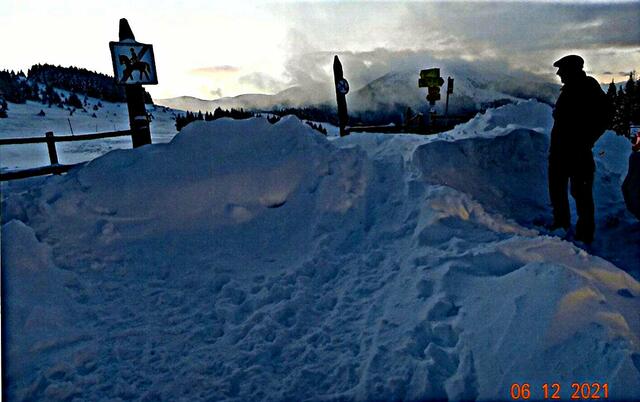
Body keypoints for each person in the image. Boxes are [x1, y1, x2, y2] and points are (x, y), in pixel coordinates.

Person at [548, 55, 611, 244]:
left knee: (581, 194)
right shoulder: (570, 89)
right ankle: (562, 225)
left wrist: (586, 140)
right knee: (557, 190)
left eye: (562, 70)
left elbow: (605, 116)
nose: (558, 73)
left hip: (577, 153)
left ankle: (585, 234)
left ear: (572, 70)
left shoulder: (587, 87)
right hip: (560, 152)